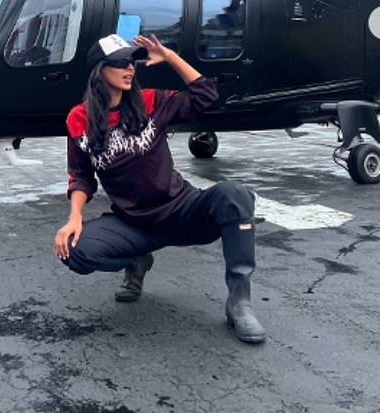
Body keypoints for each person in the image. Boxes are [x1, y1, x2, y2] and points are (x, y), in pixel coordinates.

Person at [53, 33, 266, 344]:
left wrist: (170, 57)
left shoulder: (152, 102)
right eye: (120, 63)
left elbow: (206, 95)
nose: (130, 69)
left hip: (181, 211)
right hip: (133, 223)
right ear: (100, 69)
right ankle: (136, 258)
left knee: (236, 196)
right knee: (73, 251)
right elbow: (81, 175)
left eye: (132, 62)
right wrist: (74, 218)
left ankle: (239, 302)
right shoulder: (79, 119)